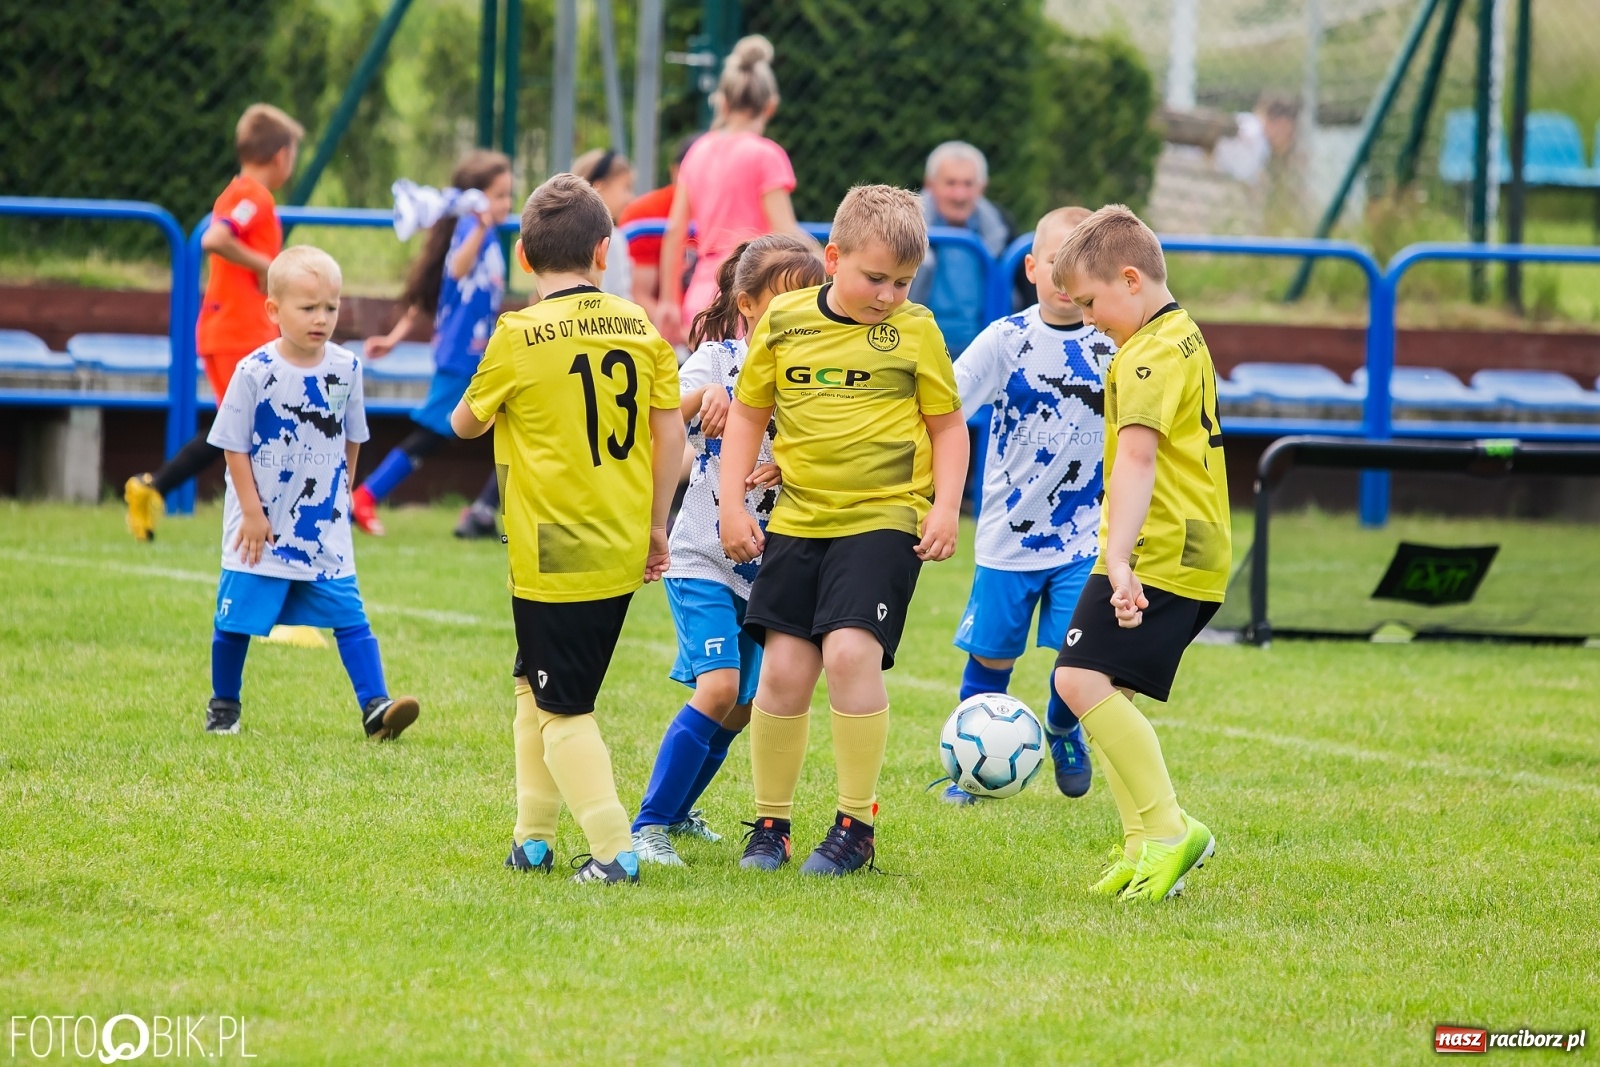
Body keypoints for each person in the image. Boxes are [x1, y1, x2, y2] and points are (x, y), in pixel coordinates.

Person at [719, 185, 968, 877]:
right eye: (875, 277)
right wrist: (730, 503)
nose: (889, 294)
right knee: (785, 670)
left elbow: (948, 427)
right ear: (833, 258)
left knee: (851, 653)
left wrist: (945, 504)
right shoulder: (787, 321)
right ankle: (771, 824)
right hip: (800, 518)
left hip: (884, 516)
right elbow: (747, 412)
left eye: (903, 282)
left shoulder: (916, 331)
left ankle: (856, 824)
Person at [451, 173, 685, 886]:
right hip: (619, 537)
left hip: (554, 547)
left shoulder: (519, 333)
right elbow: (668, 433)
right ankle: (533, 838)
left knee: (563, 706)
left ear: (524, 259)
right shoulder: (640, 327)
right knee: (534, 682)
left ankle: (614, 852)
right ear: (605, 251)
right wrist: (655, 525)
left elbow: (465, 422)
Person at [1049, 205, 1230, 903]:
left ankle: (1169, 829)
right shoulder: (1178, 333)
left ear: (1130, 279)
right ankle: (1144, 847)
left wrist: (1118, 559)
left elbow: (1139, 457)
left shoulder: (1149, 355)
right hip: (1190, 543)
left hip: (1161, 546)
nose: (1090, 317)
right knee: (1105, 689)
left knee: (1077, 682)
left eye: (1093, 302)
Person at [630, 234, 825, 867]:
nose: (799, 314)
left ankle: (682, 813)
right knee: (717, 690)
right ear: (747, 303)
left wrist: (789, 465)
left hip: (766, 569)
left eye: (811, 300)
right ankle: (648, 826)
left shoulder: (814, 374)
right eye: (785, 300)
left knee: (741, 707)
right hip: (702, 558)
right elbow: (662, 413)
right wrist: (702, 399)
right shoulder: (718, 360)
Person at [202, 245, 420, 740]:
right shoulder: (253, 372)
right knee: (235, 620)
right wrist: (253, 515)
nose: (322, 318)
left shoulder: (346, 368)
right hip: (262, 529)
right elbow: (233, 448)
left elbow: (352, 437)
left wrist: (341, 495)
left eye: (331, 307)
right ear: (274, 311)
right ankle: (224, 707)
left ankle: (375, 707)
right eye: (308, 308)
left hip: (321, 524)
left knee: (351, 615)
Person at [941, 206, 1114, 806]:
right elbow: (944, 410)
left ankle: (1063, 728)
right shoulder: (1005, 341)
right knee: (991, 657)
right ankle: (969, 766)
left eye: (1081, 265)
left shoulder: (1115, 347)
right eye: (1056, 264)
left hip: (1086, 539)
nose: (1067, 280)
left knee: (1080, 654)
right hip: (1009, 535)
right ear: (1032, 267)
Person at [124, 104, 304, 540]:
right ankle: (261, 521)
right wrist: (268, 264)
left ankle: (152, 488)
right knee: (252, 428)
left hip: (236, 328)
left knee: (238, 425)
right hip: (238, 330)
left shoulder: (244, 193)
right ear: (281, 155)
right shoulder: (255, 196)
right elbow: (216, 238)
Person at [350, 150, 514, 539]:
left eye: (509, 196)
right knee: (432, 435)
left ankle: (486, 509)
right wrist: (477, 225)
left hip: (481, 354)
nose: (506, 204)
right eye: (499, 195)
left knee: (512, 424)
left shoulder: (485, 234)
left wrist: (392, 339)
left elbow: (432, 297)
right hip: (462, 357)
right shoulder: (469, 231)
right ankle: (366, 496)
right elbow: (457, 270)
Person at [657, 35, 800, 348]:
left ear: (722, 102)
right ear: (771, 106)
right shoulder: (767, 155)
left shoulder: (697, 152)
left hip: (701, 298)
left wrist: (668, 299)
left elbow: (673, 232)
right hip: (752, 295)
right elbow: (787, 233)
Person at [908, 141, 1012, 358]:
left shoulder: (1001, 228)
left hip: (981, 351)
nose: (959, 195)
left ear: (982, 187)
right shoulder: (905, 225)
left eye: (968, 184)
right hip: (916, 346)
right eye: (951, 183)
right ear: (930, 184)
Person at [618, 134, 700, 318]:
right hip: (665, 330)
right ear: (675, 172)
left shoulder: (738, 211)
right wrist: (682, 333)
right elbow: (638, 295)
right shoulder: (645, 217)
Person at [573, 148, 637, 299]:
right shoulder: (612, 239)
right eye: (626, 187)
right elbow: (618, 295)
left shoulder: (567, 234)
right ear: (600, 188)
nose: (631, 198)